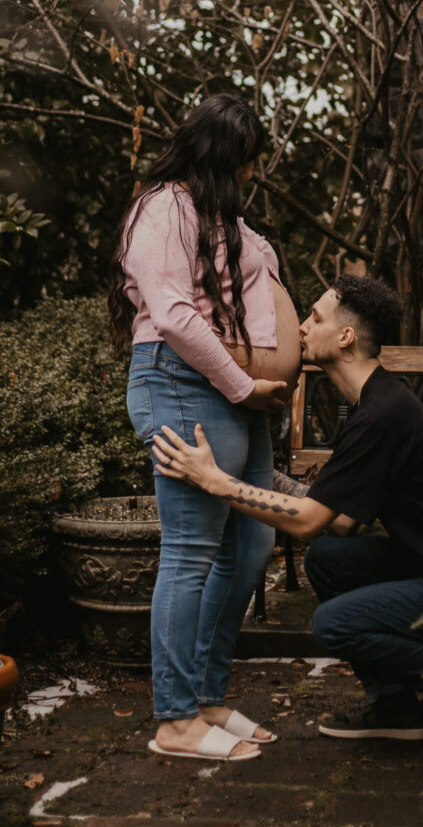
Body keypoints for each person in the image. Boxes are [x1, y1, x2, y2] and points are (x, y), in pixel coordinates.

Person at [151, 275, 423, 750]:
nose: (303, 329)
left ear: (346, 337)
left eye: (315, 318)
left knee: (335, 623)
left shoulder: (382, 415)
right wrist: (256, 473)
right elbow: (339, 521)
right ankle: (397, 707)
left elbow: (309, 521)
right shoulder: (374, 404)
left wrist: (216, 481)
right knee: (330, 558)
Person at [108, 94, 302, 762]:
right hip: (181, 381)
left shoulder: (227, 220)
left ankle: (209, 698)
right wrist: (244, 384)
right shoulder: (165, 208)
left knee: (248, 549)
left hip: (234, 392)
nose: (250, 174)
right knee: (192, 551)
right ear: (224, 156)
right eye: (245, 162)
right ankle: (175, 718)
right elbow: (171, 314)